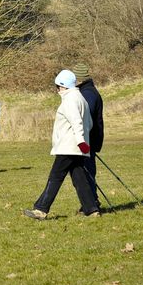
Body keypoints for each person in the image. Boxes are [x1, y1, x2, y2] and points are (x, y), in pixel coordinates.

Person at [24, 70, 101, 219]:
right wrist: (83, 142)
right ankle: (92, 209)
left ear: (63, 86)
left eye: (58, 86)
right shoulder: (80, 98)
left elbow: (77, 122)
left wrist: (80, 142)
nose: (57, 89)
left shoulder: (70, 100)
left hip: (69, 146)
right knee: (80, 179)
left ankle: (41, 209)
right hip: (76, 147)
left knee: (55, 177)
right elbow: (89, 123)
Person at [75, 63, 104, 208]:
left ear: (79, 79)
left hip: (88, 139)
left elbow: (85, 116)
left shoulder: (88, 93)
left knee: (87, 172)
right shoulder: (87, 91)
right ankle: (91, 202)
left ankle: (92, 202)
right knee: (85, 171)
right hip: (89, 138)